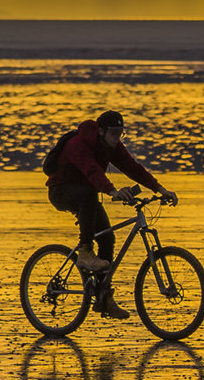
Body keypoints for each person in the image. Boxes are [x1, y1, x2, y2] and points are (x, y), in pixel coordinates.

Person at [45, 110, 177, 319]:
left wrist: (160, 189)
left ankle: (103, 297)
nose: (117, 138)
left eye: (121, 134)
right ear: (101, 131)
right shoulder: (78, 144)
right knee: (90, 193)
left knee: (107, 237)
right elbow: (91, 171)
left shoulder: (111, 145)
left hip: (87, 195)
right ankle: (85, 252)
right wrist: (113, 191)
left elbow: (132, 167)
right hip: (61, 191)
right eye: (114, 133)